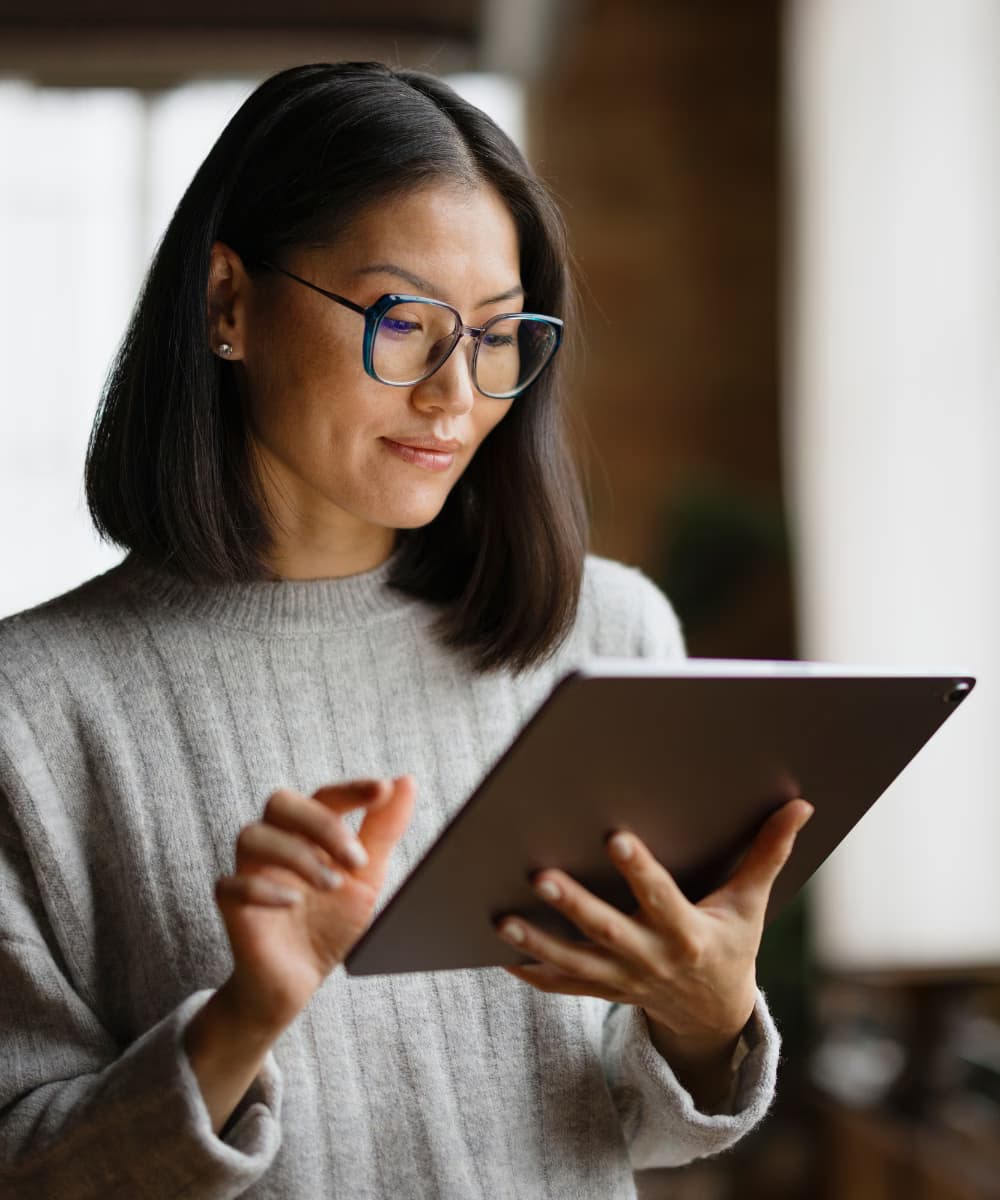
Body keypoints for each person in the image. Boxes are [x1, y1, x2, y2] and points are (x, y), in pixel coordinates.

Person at [0, 62, 811, 1199]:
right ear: (227, 301)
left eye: (494, 336)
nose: (453, 393)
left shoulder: (607, 634)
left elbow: (634, 1129)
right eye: (403, 321)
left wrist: (708, 1017)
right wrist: (245, 1018)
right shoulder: (31, 711)